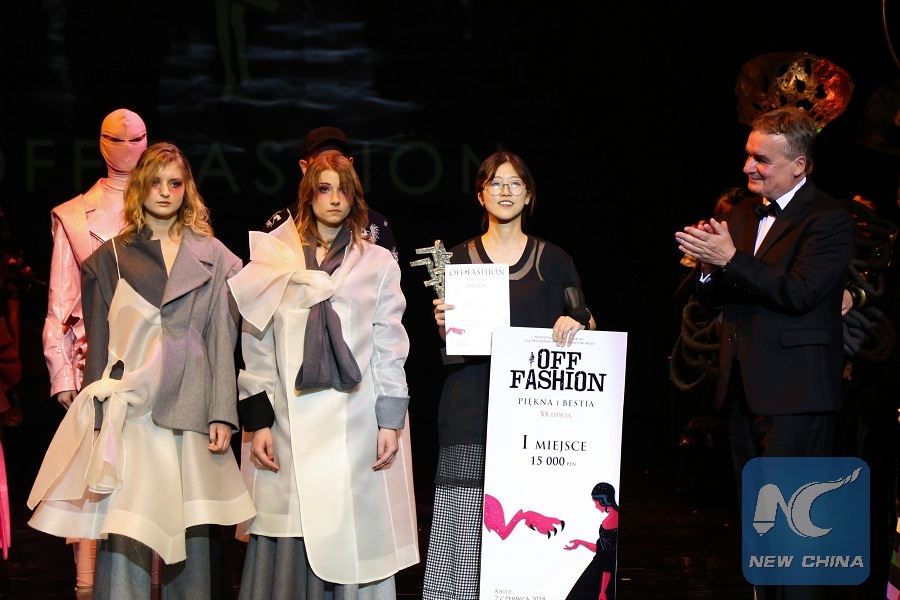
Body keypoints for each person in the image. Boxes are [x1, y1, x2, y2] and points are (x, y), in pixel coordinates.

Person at [27, 142, 256, 600]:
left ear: (187, 189)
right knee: (125, 533)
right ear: (139, 188)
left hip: (190, 407)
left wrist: (222, 412)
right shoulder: (109, 259)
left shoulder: (215, 257)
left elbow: (221, 340)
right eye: (155, 182)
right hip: (130, 410)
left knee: (191, 534)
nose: (165, 191)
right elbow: (98, 346)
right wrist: (96, 421)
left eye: (175, 182)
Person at [674, 107, 853, 600]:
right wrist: (708, 267)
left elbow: (800, 292)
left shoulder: (828, 218)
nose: (748, 167)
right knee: (760, 525)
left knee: (796, 528)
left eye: (762, 159)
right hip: (743, 387)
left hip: (796, 393)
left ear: (799, 165)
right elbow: (713, 296)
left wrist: (730, 258)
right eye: (748, 155)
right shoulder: (740, 214)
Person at [229, 153, 418, 598]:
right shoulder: (276, 259)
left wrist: (390, 421)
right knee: (291, 527)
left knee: (351, 530)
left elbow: (389, 347)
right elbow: (257, 345)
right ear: (308, 195)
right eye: (324, 189)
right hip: (289, 421)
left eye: (343, 189)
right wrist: (259, 423)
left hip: (355, 423)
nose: (334, 199)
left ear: (355, 198)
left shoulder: (377, 264)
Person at [423, 150, 596, 599]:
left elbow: (587, 321)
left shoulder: (554, 260)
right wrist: (443, 323)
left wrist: (577, 325)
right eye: (495, 183)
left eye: (515, 183)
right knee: (461, 527)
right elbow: (450, 338)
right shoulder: (456, 259)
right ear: (480, 195)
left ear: (529, 194)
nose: (505, 191)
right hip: (469, 407)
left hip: (532, 417)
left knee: (529, 522)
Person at [40, 107, 147, 594]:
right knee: (92, 479)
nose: (127, 148)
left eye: (136, 139)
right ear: (101, 143)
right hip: (95, 364)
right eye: (116, 139)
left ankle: (147, 583)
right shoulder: (74, 216)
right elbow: (60, 301)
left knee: (149, 483)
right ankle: (88, 586)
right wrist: (62, 374)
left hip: (154, 363)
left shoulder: (166, 204)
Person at [264, 125, 398, 260]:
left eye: (337, 159)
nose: (329, 164)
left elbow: (390, 271)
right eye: (319, 160)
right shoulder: (281, 225)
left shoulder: (376, 224)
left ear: (349, 164)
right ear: (305, 167)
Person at [564, 482, 619, 600]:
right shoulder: (614, 517)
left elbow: (606, 560)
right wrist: (580, 542)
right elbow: (602, 549)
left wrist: (603, 591)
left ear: (603, 500)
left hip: (601, 574)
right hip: (605, 572)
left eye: (596, 502)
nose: (595, 506)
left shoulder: (609, 521)